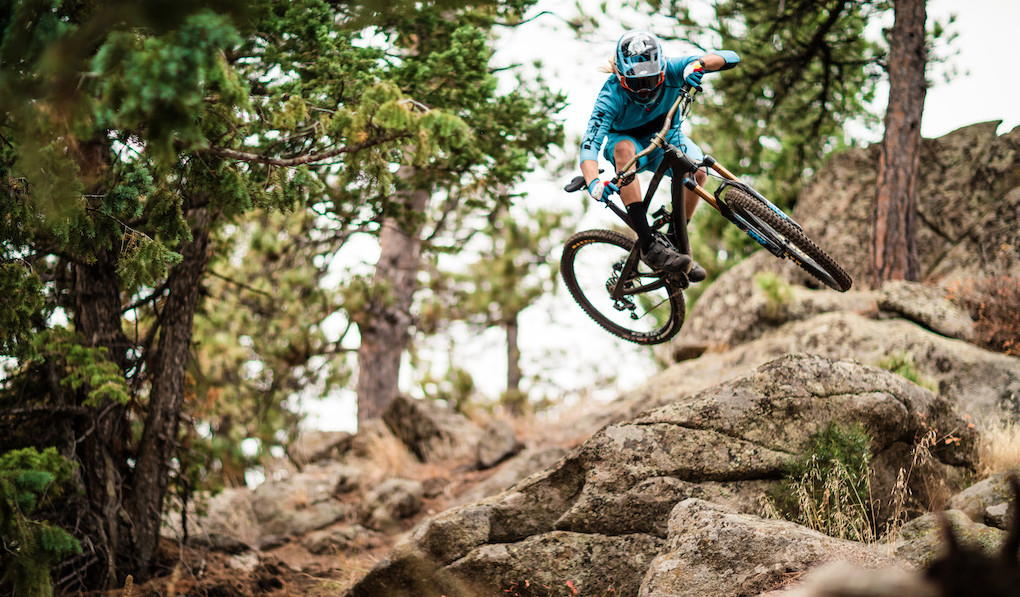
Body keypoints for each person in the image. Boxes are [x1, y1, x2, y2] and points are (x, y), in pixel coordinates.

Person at [580, 30, 739, 281]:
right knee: (623, 150)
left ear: (663, 70)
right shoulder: (610, 97)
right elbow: (589, 145)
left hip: (668, 136)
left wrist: (698, 66)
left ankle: (676, 241)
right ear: (621, 77)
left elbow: (730, 57)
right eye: (635, 83)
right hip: (630, 144)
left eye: (651, 81)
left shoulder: (675, 68)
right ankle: (648, 244)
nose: (643, 90)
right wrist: (593, 182)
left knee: (697, 171)